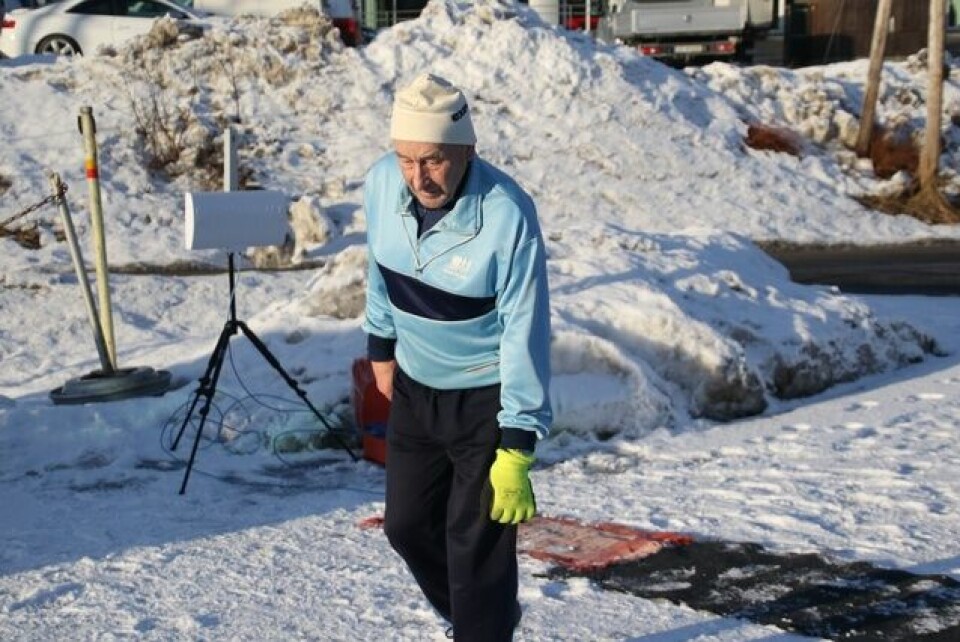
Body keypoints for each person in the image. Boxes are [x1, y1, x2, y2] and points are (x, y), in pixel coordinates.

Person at [362, 73, 552, 641]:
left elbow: (525, 327)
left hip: (484, 401)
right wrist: (380, 345)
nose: (419, 177)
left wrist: (518, 439)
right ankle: (484, 618)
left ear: (467, 149)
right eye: (406, 159)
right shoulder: (380, 183)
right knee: (407, 526)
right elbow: (377, 266)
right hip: (417, 391)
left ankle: (481, 626)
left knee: (476, 550)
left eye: (435, 160)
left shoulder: (507, 215)